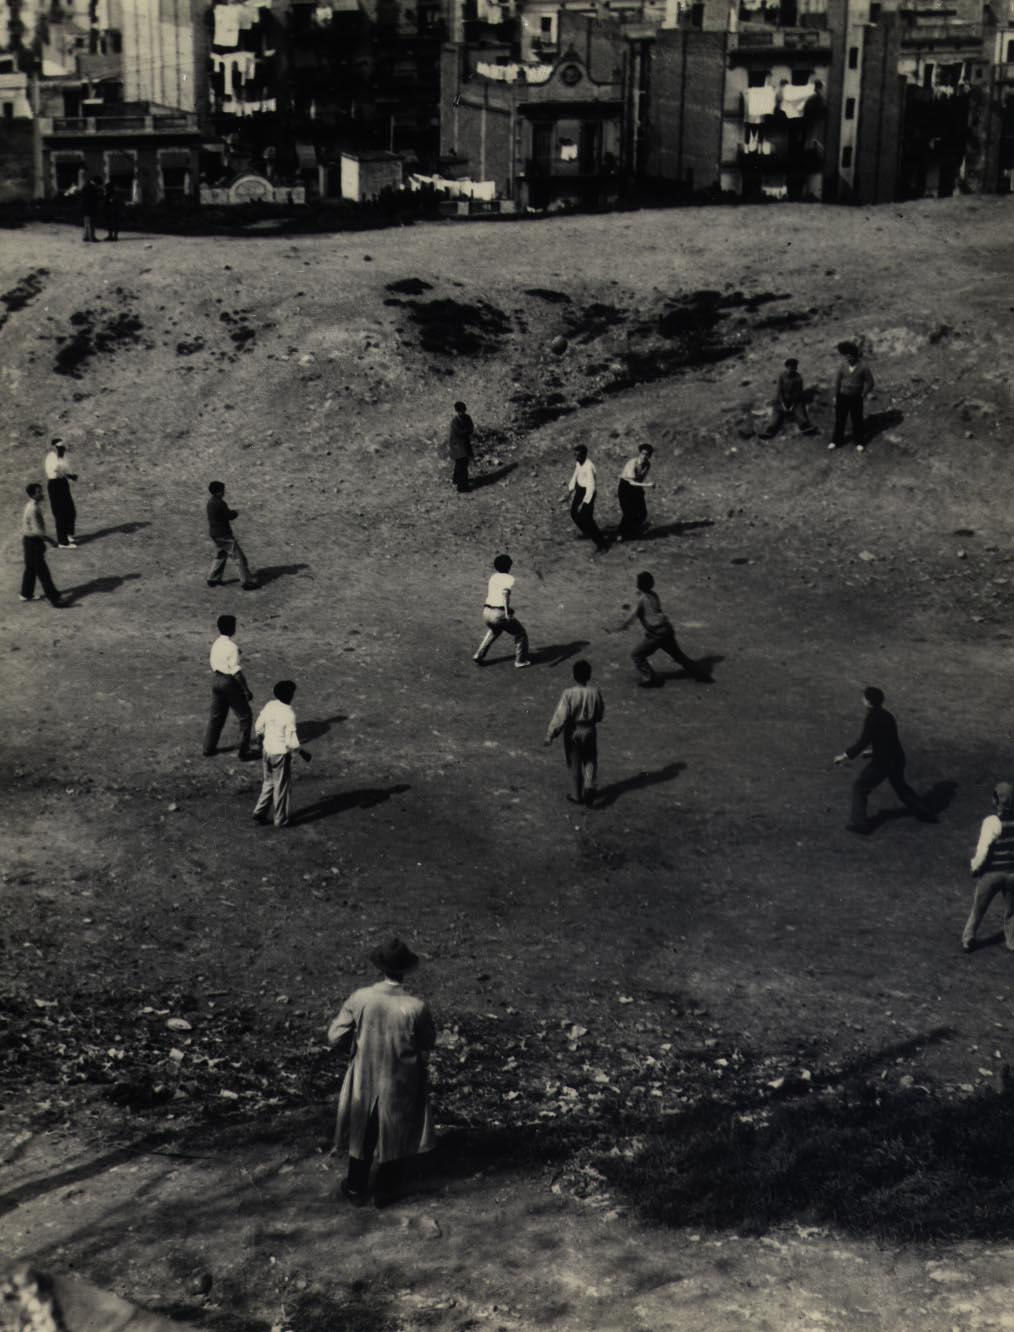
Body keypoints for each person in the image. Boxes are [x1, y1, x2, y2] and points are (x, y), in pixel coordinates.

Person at [328, 938, 436, 1206]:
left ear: (381, 968)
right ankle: (385, 1190)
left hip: (365, 1072)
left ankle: (355, 1186)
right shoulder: (415, 1007)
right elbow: (427, 1042)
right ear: (405, 970)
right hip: (400, 1076)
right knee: (396, 1126)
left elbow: (334, 1035)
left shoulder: (361, 998)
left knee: (364, 1123)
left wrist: (355, 1049)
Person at [833, 686, 936, 833]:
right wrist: (872, 752)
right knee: (900, 787)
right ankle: (925, 812)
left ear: (868, 702)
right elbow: (888, 740)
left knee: (860, 787)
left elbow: (863, 742)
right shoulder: (888, 715)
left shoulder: (871, 718)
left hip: (883, 762)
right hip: (897, 758)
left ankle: (860, 824)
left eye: (864, 698)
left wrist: (844, 756)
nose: (862, 700)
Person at [608, 571, 711, 687]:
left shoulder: (641, 599)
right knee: (678, 655)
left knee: (637, 655)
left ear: (639, 585)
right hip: (667, 629)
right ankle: (700, 674)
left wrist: (617, 628)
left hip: (656, 634)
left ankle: (650, 678)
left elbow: (631, 617)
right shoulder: (654, 595)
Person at [544, 659, 605, 806]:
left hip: (573, 731)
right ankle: (589, 785)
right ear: (589, 675)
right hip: (590, 729)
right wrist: (593, 720)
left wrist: (551, 734)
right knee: (590, 758)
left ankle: (576, 795)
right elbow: (600, 713)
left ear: (574, 675)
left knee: (574, 763)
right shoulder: (595, 692)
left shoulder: (569, 693)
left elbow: (561, 716)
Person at [962, 782, 1014, 953]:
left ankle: (968, 939)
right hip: (1012, 874)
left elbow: (983, 850)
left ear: (997, 801)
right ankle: (1012, 942)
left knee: (978, 909)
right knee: (1012, 912)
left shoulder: (991, 822)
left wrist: (974, 867)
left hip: (991, 874)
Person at [253, 680, 311, 828]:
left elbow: (259, 726)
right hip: (280, 755)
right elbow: (291, 742)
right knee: (281, 787)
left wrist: (261, 741)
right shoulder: (289, 714)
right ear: (291, 695)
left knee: (268, 782)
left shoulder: (270, 705)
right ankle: (280, 819)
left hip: (267, 751)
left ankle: (259, 811)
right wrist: (302, 753)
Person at [203, 614, 256, 759]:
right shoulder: (232, 647)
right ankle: (244, 751)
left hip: (216, 680)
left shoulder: (216, 643)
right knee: (245, 716)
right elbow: (236, 672)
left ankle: (208, 748)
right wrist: (246, 690)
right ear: (232, 628)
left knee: (216, 717)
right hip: (229, 682)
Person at [473, 553, 531, 668]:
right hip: (499, 614)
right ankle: (520, 661)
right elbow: (505, 595)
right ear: (509, 566)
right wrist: (506, 613)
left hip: (486, 612)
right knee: (520, 634)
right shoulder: (509, 578)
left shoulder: (493, 577)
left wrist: (507, 610)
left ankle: (478, 655)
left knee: (495, 630)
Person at [19, 484, 65, 607]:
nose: (42, 493)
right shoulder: (33, 509)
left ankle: (26, 594)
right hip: (33, 543)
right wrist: (52, 541)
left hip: (28, 541)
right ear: (33, 494)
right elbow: (38, 531)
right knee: (43, 572)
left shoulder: (30, 505)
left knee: (30, 569)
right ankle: (55, 599)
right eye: (39, 492)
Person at [206, 481, 257, 590]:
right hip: (224, 535)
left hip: (215, 534)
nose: (224, 492)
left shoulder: (210, 503)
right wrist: (236, 512)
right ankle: (246, 582)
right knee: (239, 558)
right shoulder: (220, 503)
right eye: (223, 490)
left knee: (221, 555)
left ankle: (213, 579)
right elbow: (229, 516)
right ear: (219, 492)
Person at [829, 341, 874, 452]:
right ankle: (836, 441)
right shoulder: (843, 365)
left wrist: (863, 395)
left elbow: (870, 382)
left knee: (857, 420)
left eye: (850, 356)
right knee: (840, 420)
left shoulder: (864, 367)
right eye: (846, 356)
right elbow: (838, 382)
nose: (848, 358)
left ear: (855, 356)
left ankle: (859, 442)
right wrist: (835, 396)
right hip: (842, 396)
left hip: (856, 397)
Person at [566, 445, 608, 553]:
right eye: (575, 455)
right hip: (580, 491)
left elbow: (591, 486)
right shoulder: (578, 463)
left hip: (588, 493)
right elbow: (575, 476)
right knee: (573, 513)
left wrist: (584, 502)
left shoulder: (589, 467)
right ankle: (587, 532)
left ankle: (602, 544)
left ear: (584, 455)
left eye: (578, 455)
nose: (576, 457)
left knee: (587, 519)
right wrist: (570, 492)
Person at [760, 358, 815, 439]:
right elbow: (779, 391)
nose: (792, 370)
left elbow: (798, 393)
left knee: (799, 412)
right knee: (776, 414)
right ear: (786, 367)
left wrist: (792, 405)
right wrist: (783, 404)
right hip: (781, 401)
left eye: (794, 368)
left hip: (794, 401)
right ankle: (770, 431)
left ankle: (805, 427)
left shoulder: (798, 378)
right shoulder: (782, 376)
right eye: (790, 368)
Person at [616, 444, 655, 541]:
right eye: (642, 454)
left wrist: (641, 491)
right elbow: (631, 482)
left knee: (642, 513)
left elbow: (640, 479)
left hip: (636, 487)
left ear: (649, 456)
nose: (644, 456)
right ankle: (621, 533)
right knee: (628, 512)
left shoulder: (647, 465)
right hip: (625, 487)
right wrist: (648, 485)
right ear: (639, 453)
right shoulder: (632, 463)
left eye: (647, 455)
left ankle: (632, 529)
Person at [44, 439, 78, 548]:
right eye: (59, 448)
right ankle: (62, 542)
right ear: (54, 448)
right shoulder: (51, 457)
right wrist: (59, 459)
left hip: (63, 483)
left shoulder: (63, 457)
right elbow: (55, 471)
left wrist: (70, 476)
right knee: (60, 513)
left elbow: (64, 471)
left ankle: (68, 534)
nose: (62, 450)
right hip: (55, 485)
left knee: (71, 511)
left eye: (63, 448)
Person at [448, 401, 475, 493]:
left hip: (464, 444)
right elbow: (459, 433)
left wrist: (466, 431)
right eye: (460, 411)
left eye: (463, 411)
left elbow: (471, 428)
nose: (461, 413)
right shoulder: (455, 421)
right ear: (457, 411)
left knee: (461, 464)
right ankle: (462, 487)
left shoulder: (467, 418)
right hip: (457, 446)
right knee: (462, 466)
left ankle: (456, 480)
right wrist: (466, 431)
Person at [81, 177, 100, 243]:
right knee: (91, 223)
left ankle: (85, 237)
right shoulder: (91, 187)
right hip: (90, 208)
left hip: (85, 208)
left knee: (86, 223)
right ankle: (92, 237)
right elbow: (93, 199)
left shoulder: (86, 186)